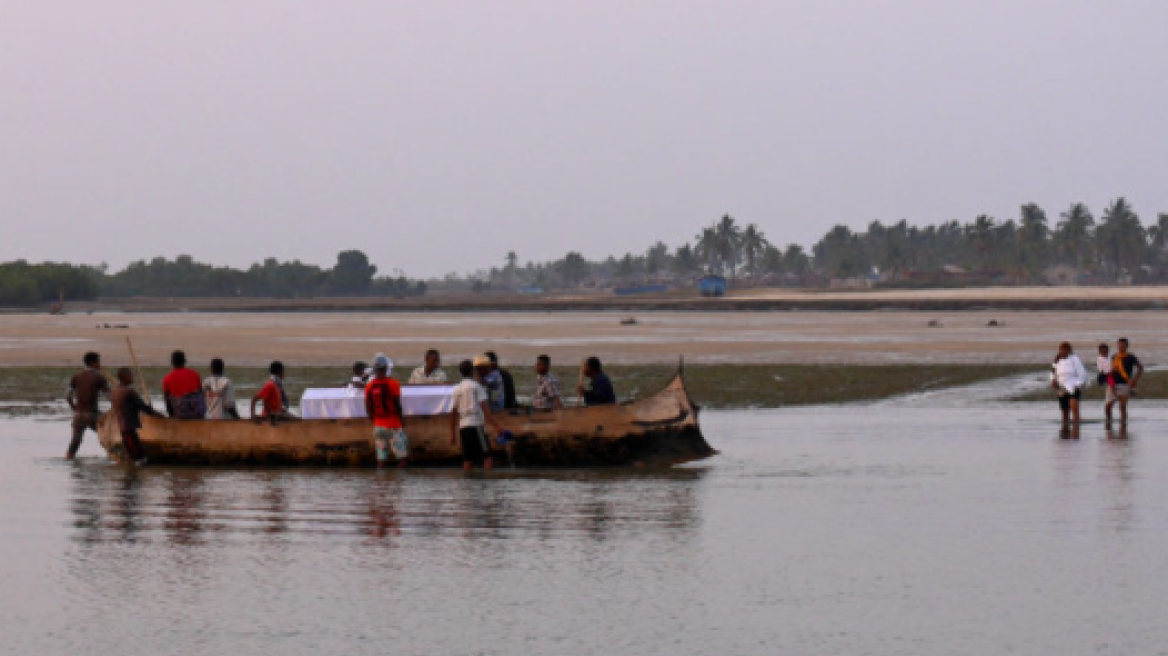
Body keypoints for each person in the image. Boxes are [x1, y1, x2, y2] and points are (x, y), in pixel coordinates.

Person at [451, 357, 505, 471]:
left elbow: (453, 413)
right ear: (472, 371)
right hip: (476, 425)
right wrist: (497, 427)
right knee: (487, 457)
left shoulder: (457, 389)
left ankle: (467, 485)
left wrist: (453, 435)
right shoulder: (477, 387)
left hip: (463, 427)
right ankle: (485, 484)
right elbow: (486, 411)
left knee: (467, 459)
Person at [365, 353, 408, 468]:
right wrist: (402, 420)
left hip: (378, 425)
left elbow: (368, 407)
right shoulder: (393, 383)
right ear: (386, 368)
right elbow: (397, 405)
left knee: (381, 459)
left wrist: (374, 421)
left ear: (374, 369)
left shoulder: (369, 385)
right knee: (401, 458)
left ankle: (381, 482)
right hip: (394, 424)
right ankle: (399, 482)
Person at [111, 367, 161, 465]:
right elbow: (141, 406)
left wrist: (148, 409)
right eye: (130, 376)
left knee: (133, 454)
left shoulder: (116, 391)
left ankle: (133, 474)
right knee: (139, 455)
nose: (132, 378)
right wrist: (156, 414)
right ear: (124, 377)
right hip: (128, 426)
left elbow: (132, 406)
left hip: (123, 427)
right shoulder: (129, 391)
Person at [65, 351, 110, 459]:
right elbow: (109, 396)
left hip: (78, 415)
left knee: (75, 441)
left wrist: (74, 408)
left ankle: (69, 457)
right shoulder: (99, 377)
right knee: (108, 435)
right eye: (99, 362)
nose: (100, 365)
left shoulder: (76, 376)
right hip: (91, 414)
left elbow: (68, 396)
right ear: (93, 363)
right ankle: (114, 456)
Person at [1051, 342, 1088, 433]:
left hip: (1073, 385)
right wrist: (1053, 380)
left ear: (1069, 350)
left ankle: (1076, 429)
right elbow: (1053, 371)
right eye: (1061, 350)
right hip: (1061, 387)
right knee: (1064, 411)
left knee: (1074, 408)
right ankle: (1065, 431)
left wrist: (1078, 384)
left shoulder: (1074, 359)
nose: (1063, 352)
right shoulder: (1056, 360)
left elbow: (1082, 373)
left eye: (1065, 350)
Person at [161, 350, 205, 419]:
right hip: (198, 413)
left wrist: (171, 416)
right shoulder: (195, 374)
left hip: (180, 414)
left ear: (172, 362)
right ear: (185, 361)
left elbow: (167, 401)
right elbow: (202, 394)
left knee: (172, 397)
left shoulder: (167, 378)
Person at [1110, 337, 1144, 425]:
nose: (1121, 347)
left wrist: (1135, 380)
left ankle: (1123, 425)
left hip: (1125, 383)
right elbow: (1110, 372)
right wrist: (1111, 384)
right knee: (1108, 406)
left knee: (1123, 406)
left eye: (1123, 345)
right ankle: (1108, 423)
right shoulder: (1114, 357)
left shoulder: (1131, 357)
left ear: (1127, 346)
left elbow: (1140, 368)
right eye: (1119, 345)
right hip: (1114, 383)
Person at [1096, 343, 1115, 423]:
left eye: (1106, 351)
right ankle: (1108, 417)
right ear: (1100, 352)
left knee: (1112, 398)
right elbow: (1101, 370)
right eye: (1102, 351)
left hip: (1113, 375)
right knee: (1110, 395)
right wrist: (1110, 372)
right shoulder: (1099, 359)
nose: (1104, 353)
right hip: (1107, 376)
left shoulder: (1111, 357)